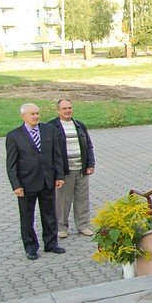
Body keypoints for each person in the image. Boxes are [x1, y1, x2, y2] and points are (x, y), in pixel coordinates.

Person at [6, 103, 66, 260]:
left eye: (37, 113)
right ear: (23, 116)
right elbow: (11, 164)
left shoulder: (49, 130)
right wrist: (16, 185)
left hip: (47, 180)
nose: (36, 116)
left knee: (50, 214)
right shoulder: (14, 136)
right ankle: (31, 247)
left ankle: (51, 243)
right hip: (26, 183)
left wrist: (59, 176)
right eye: (32, 114)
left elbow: (57, 155)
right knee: (27, 217)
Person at [48, 98, 96, 237]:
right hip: (64, 172)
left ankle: (83, 225)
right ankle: (61, 227)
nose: (68, 111)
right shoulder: (51, 126)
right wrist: (56, 172)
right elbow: (49, 151)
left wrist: (90, 164)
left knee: (82, 199)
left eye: (69, 108)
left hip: (81, 169)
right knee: (63, 200)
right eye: (64, 109)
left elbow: (89, 145)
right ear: (58, 111)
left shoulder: (79, 125)